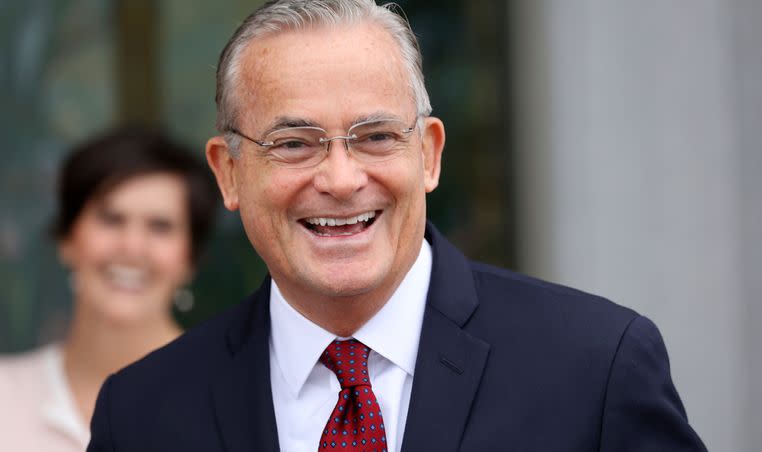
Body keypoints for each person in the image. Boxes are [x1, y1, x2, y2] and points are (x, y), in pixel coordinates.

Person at [87, 1, 707, 451]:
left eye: (376, 136)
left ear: (429, 155)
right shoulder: (140, 414)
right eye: (295, 143)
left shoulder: (596, 368)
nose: (339, 178)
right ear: (228, 174)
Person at [0, 127, 218, 452]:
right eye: (111, 219)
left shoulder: (232, 401)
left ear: (190, 259)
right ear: (66, 239)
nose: (131, 247)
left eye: (160, 226)